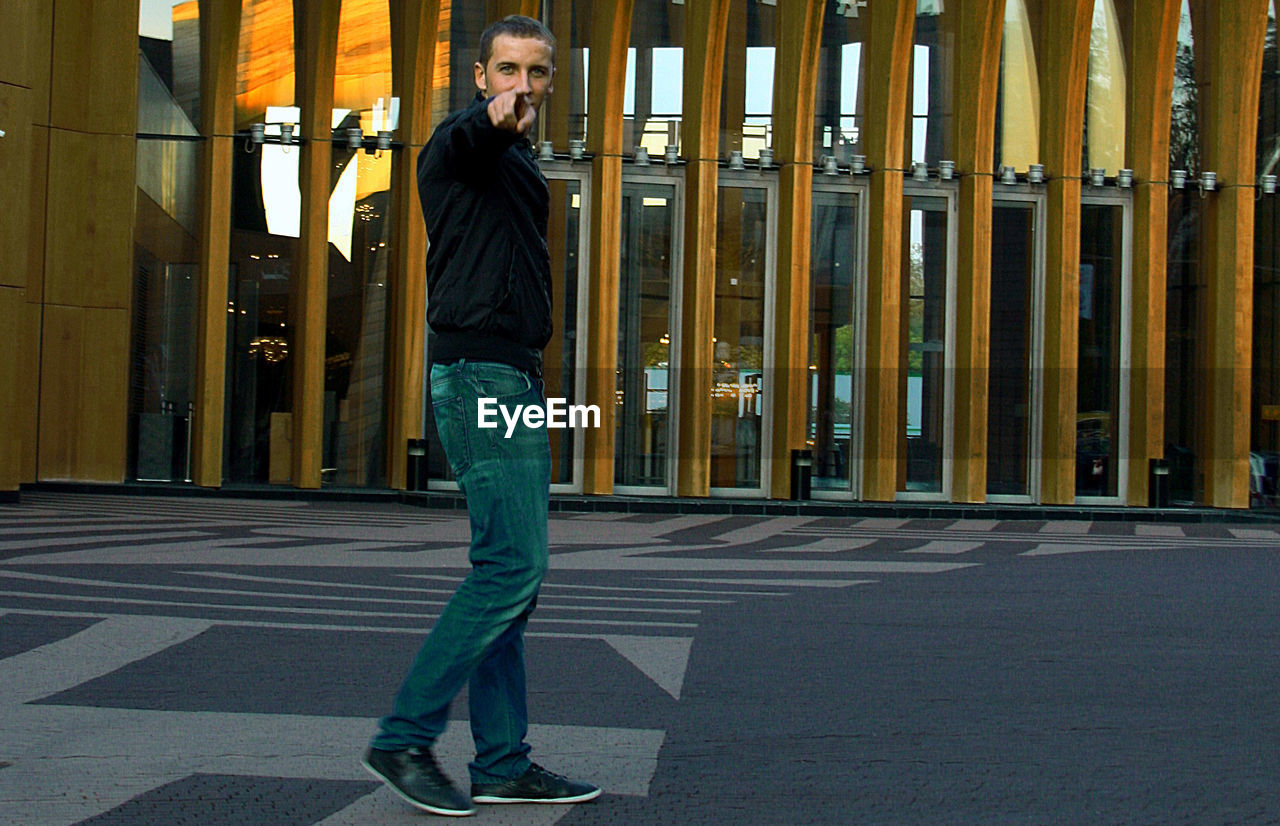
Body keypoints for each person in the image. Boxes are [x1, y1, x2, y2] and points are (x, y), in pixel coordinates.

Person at [362, 15, 600, 817]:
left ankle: (502, 762)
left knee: (513, 576)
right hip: (481, 377)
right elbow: (469, 141)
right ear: (480, 76)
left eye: (536, 74)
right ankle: (403, 736)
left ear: (551, 81)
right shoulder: (458, 147)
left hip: (509, 376)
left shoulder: (521, 163)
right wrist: (489, 122)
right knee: (510, 568)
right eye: (507, 71)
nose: (521, 87)